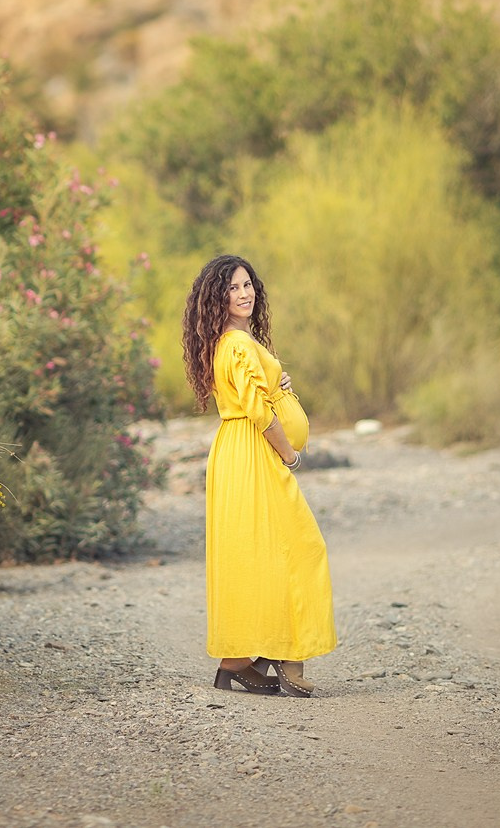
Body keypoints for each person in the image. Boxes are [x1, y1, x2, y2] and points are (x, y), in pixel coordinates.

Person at [182, 253, 336, 697]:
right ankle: (286, 657)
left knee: (257, 554)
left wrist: (279, 383)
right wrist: (289, 454)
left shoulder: (237, 342)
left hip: (243, 451)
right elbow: (257, 410)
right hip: (253, 451)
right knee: (300, 548)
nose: (243, 293)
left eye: (247, 284)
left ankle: (237, 665)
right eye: (232, 288)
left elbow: (257, 391)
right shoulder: (235, 344)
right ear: (217, 297)